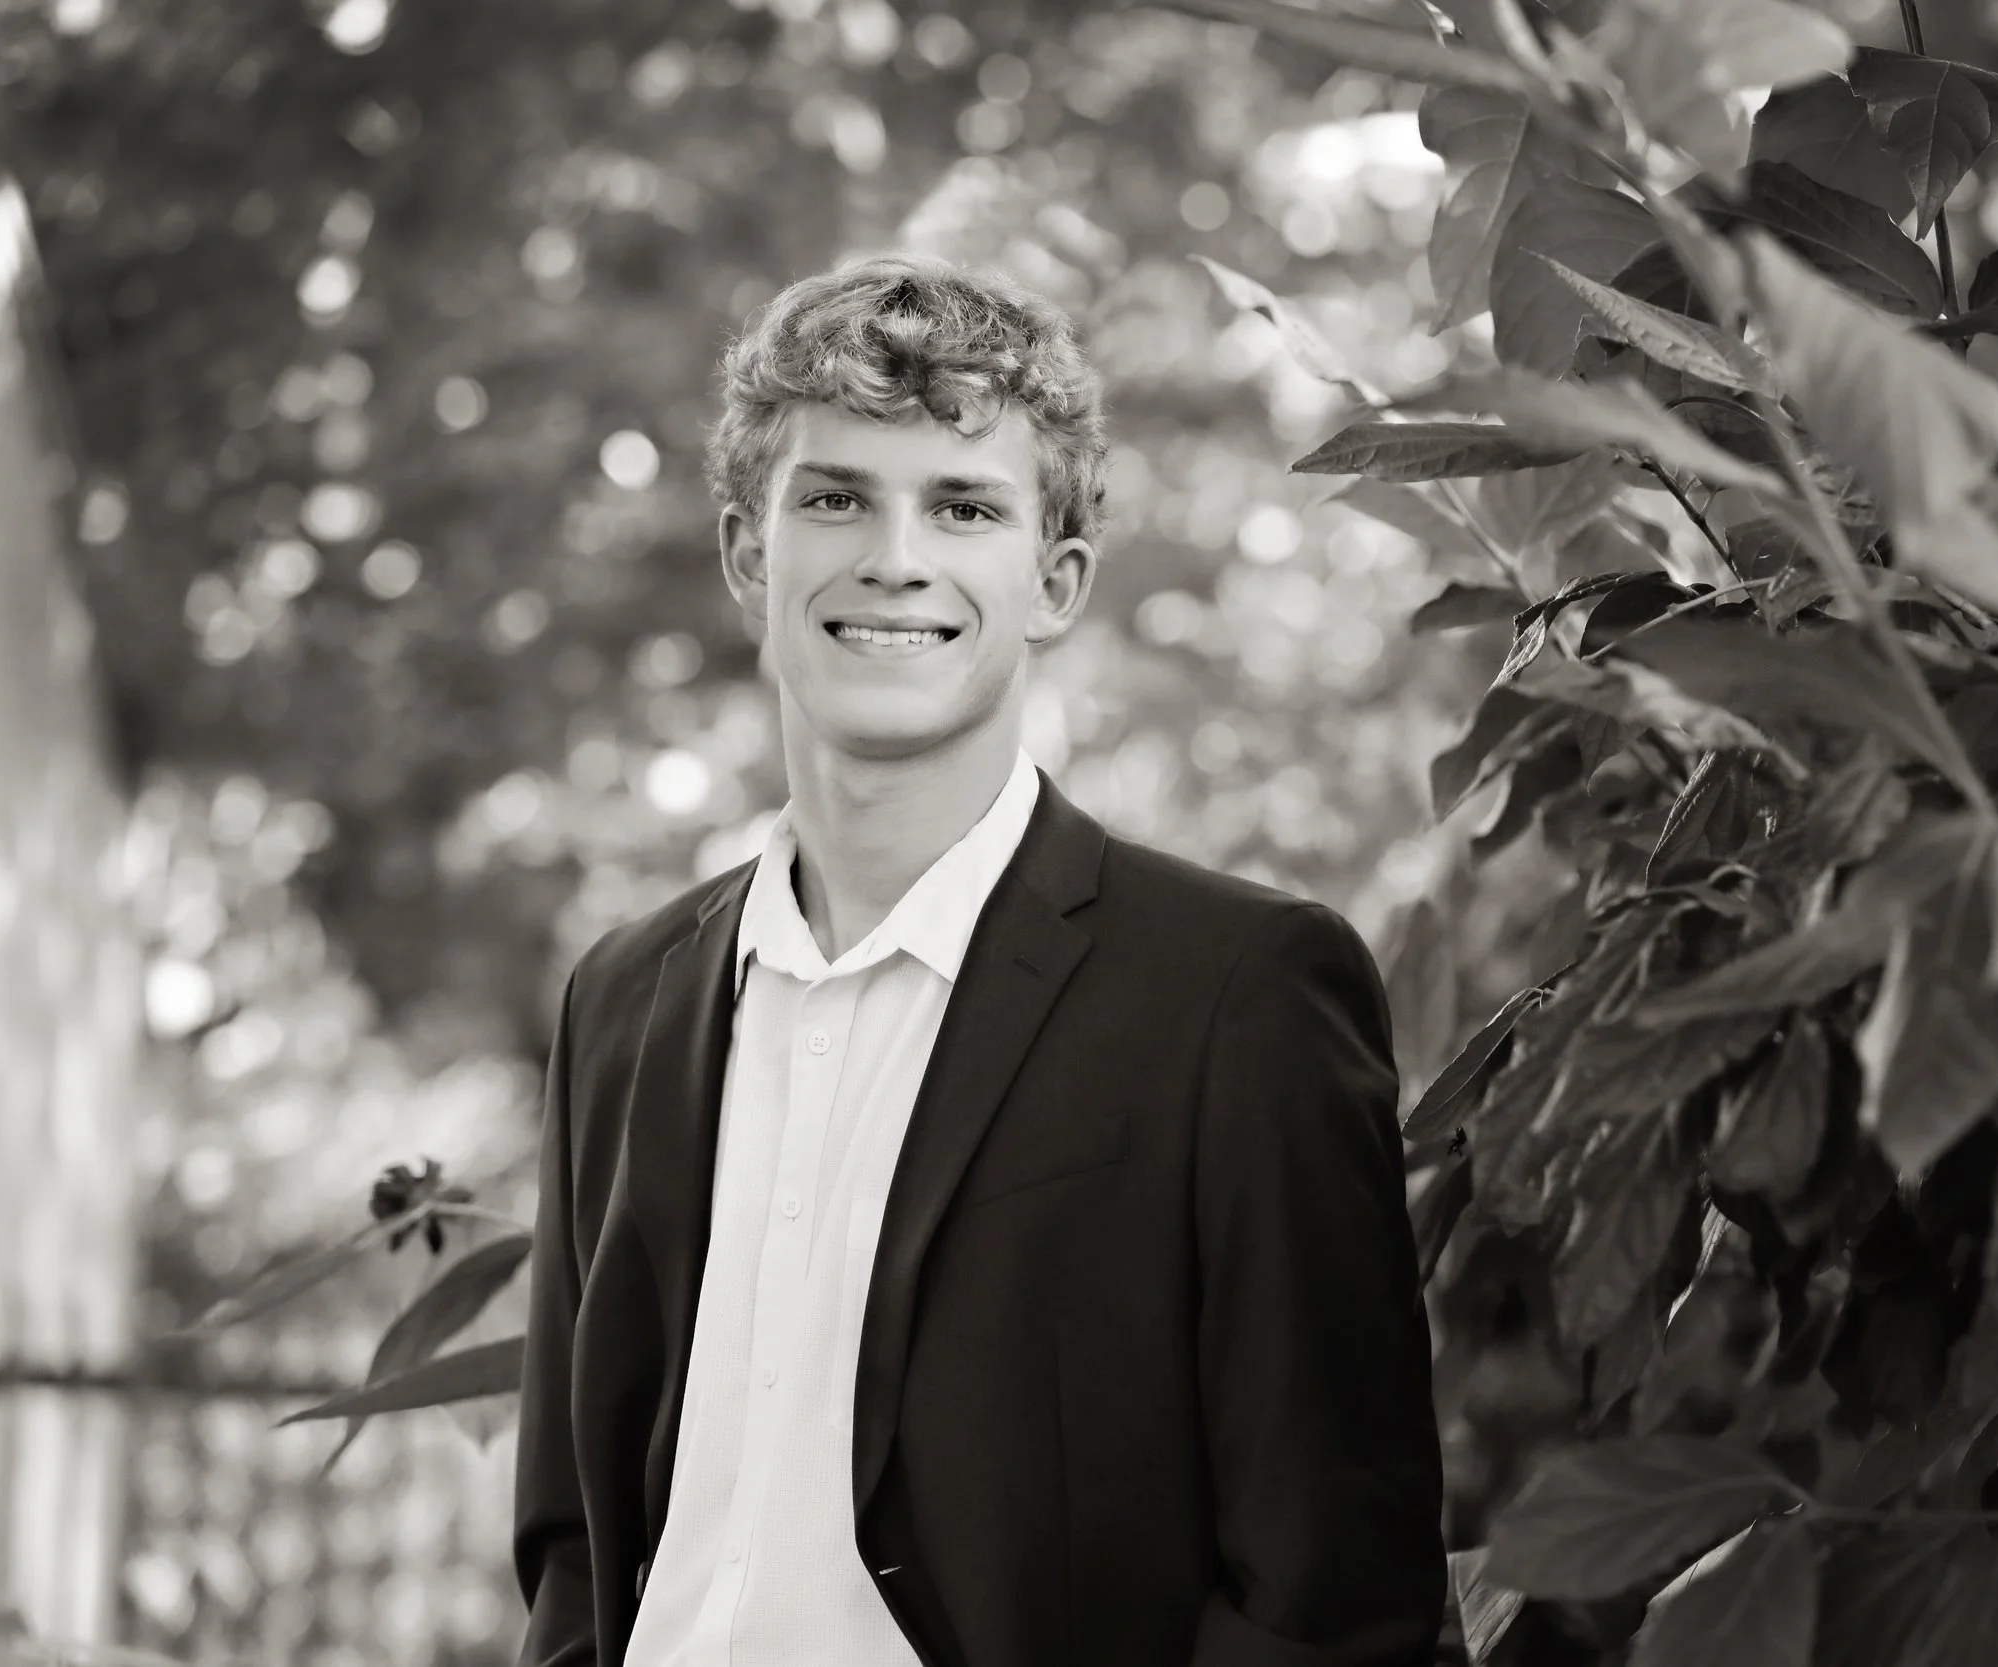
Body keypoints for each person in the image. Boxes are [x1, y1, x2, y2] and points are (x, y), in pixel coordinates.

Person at [512, 255, 1446, 1667]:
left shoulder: (1238, 995)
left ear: (1055, 579)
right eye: (835, 496)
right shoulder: (622, 1001)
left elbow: (1332, 1597)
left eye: (963, 506)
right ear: (747, 556)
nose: (895, 556)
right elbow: (578, 1550)